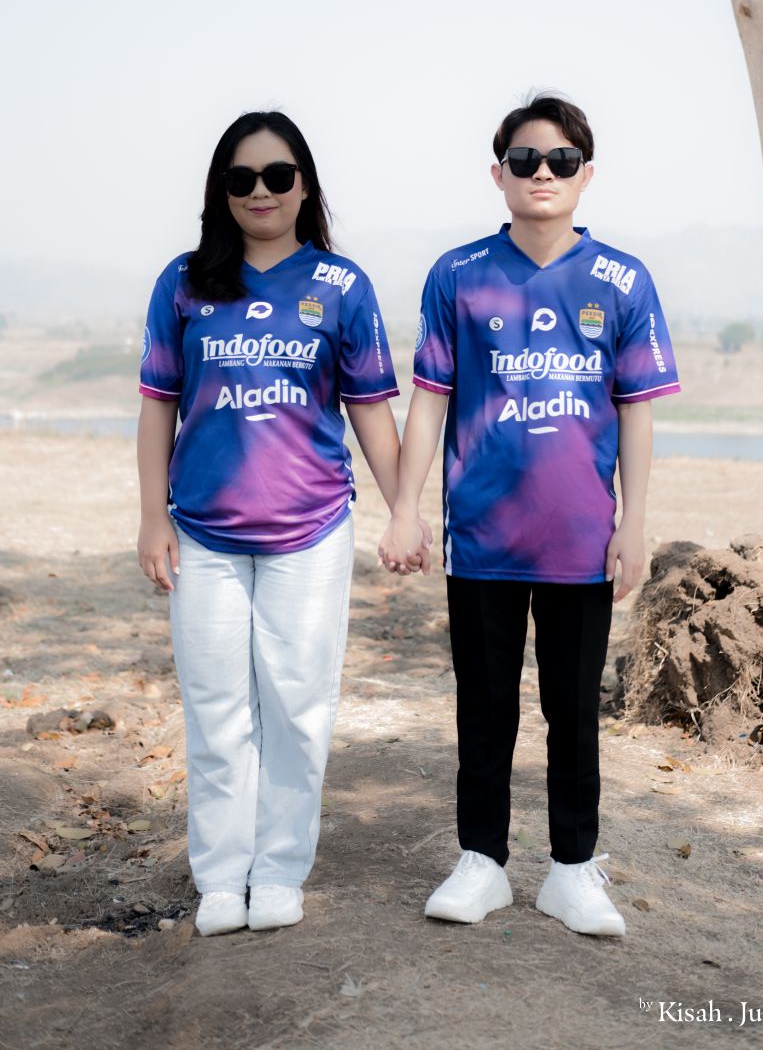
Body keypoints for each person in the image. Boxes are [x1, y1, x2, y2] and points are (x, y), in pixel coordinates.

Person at [379, 93, 680, 937]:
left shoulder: (622, 280)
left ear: (586, 174)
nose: (541, 172)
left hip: (580, 542)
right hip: (481, 540)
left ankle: (573, 871)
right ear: (498, 174)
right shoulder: (458, 274)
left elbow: (635, 410)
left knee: (572, 712)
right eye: (524, 160)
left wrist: (633, 524)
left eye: (559, 160)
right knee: (484, 709)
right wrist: (404, 508)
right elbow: (429, 399)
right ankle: (481, 863)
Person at [137, 110, 421, 936]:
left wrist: (405, 510)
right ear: (220, 191)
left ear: (304, 186)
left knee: (297, 707)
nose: (260, 191)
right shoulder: (184, 282)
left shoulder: (341, 286)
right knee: (216, 711)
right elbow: (158, 406)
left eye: (277, 175)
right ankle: (222, 878)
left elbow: (371, 413)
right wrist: (152, 517)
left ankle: (279, 869)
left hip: (311, 532)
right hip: (203, 534)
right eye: (241, 178)